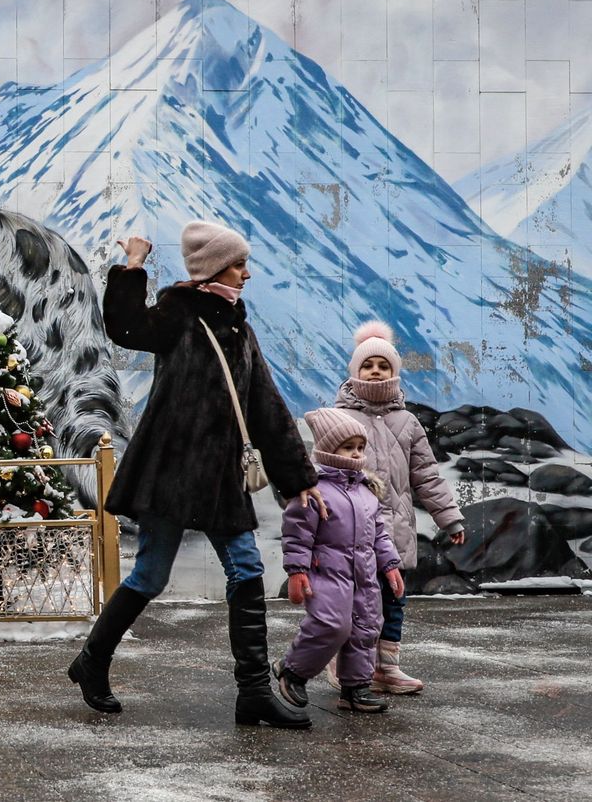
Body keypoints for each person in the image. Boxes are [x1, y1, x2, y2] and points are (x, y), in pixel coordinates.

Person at [67, 220, 325, 729]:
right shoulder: (179, 314)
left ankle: (94, 661)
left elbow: (266, 407)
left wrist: (299, 479)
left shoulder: (239, 327)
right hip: (172, 471)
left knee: (194, 572)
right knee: (211, 571)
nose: (247, 273)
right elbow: (125, 328)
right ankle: (247, 690)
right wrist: (132, 267)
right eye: (238, 264)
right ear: (213, 268)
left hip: (215, 474)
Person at [333, 321, 463, 694]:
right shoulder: (340, 418)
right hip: (353, 531)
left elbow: (427, 476)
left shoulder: (408, 423)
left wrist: (449, 518)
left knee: (393, 600)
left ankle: (386, 668)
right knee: (355, 603)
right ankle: (347, 664)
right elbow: (323, 472)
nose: (376, 371)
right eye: (368, 365)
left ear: (394, 372)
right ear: (355, 372)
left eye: (384, 365)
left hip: (395, 531)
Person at [274, 407, 405, 714]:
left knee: (366, 628)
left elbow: (379, 534)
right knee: (331, 625)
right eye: (347, 447)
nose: (356, 453)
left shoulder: (366, 491)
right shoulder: (314, 491)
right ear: (327, 449)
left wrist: (390, 564)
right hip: (327, 573)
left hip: (364, 575)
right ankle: (293, 670)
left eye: (360, 447)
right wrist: (297, 571)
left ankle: (355, 687)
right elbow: (297, 534)